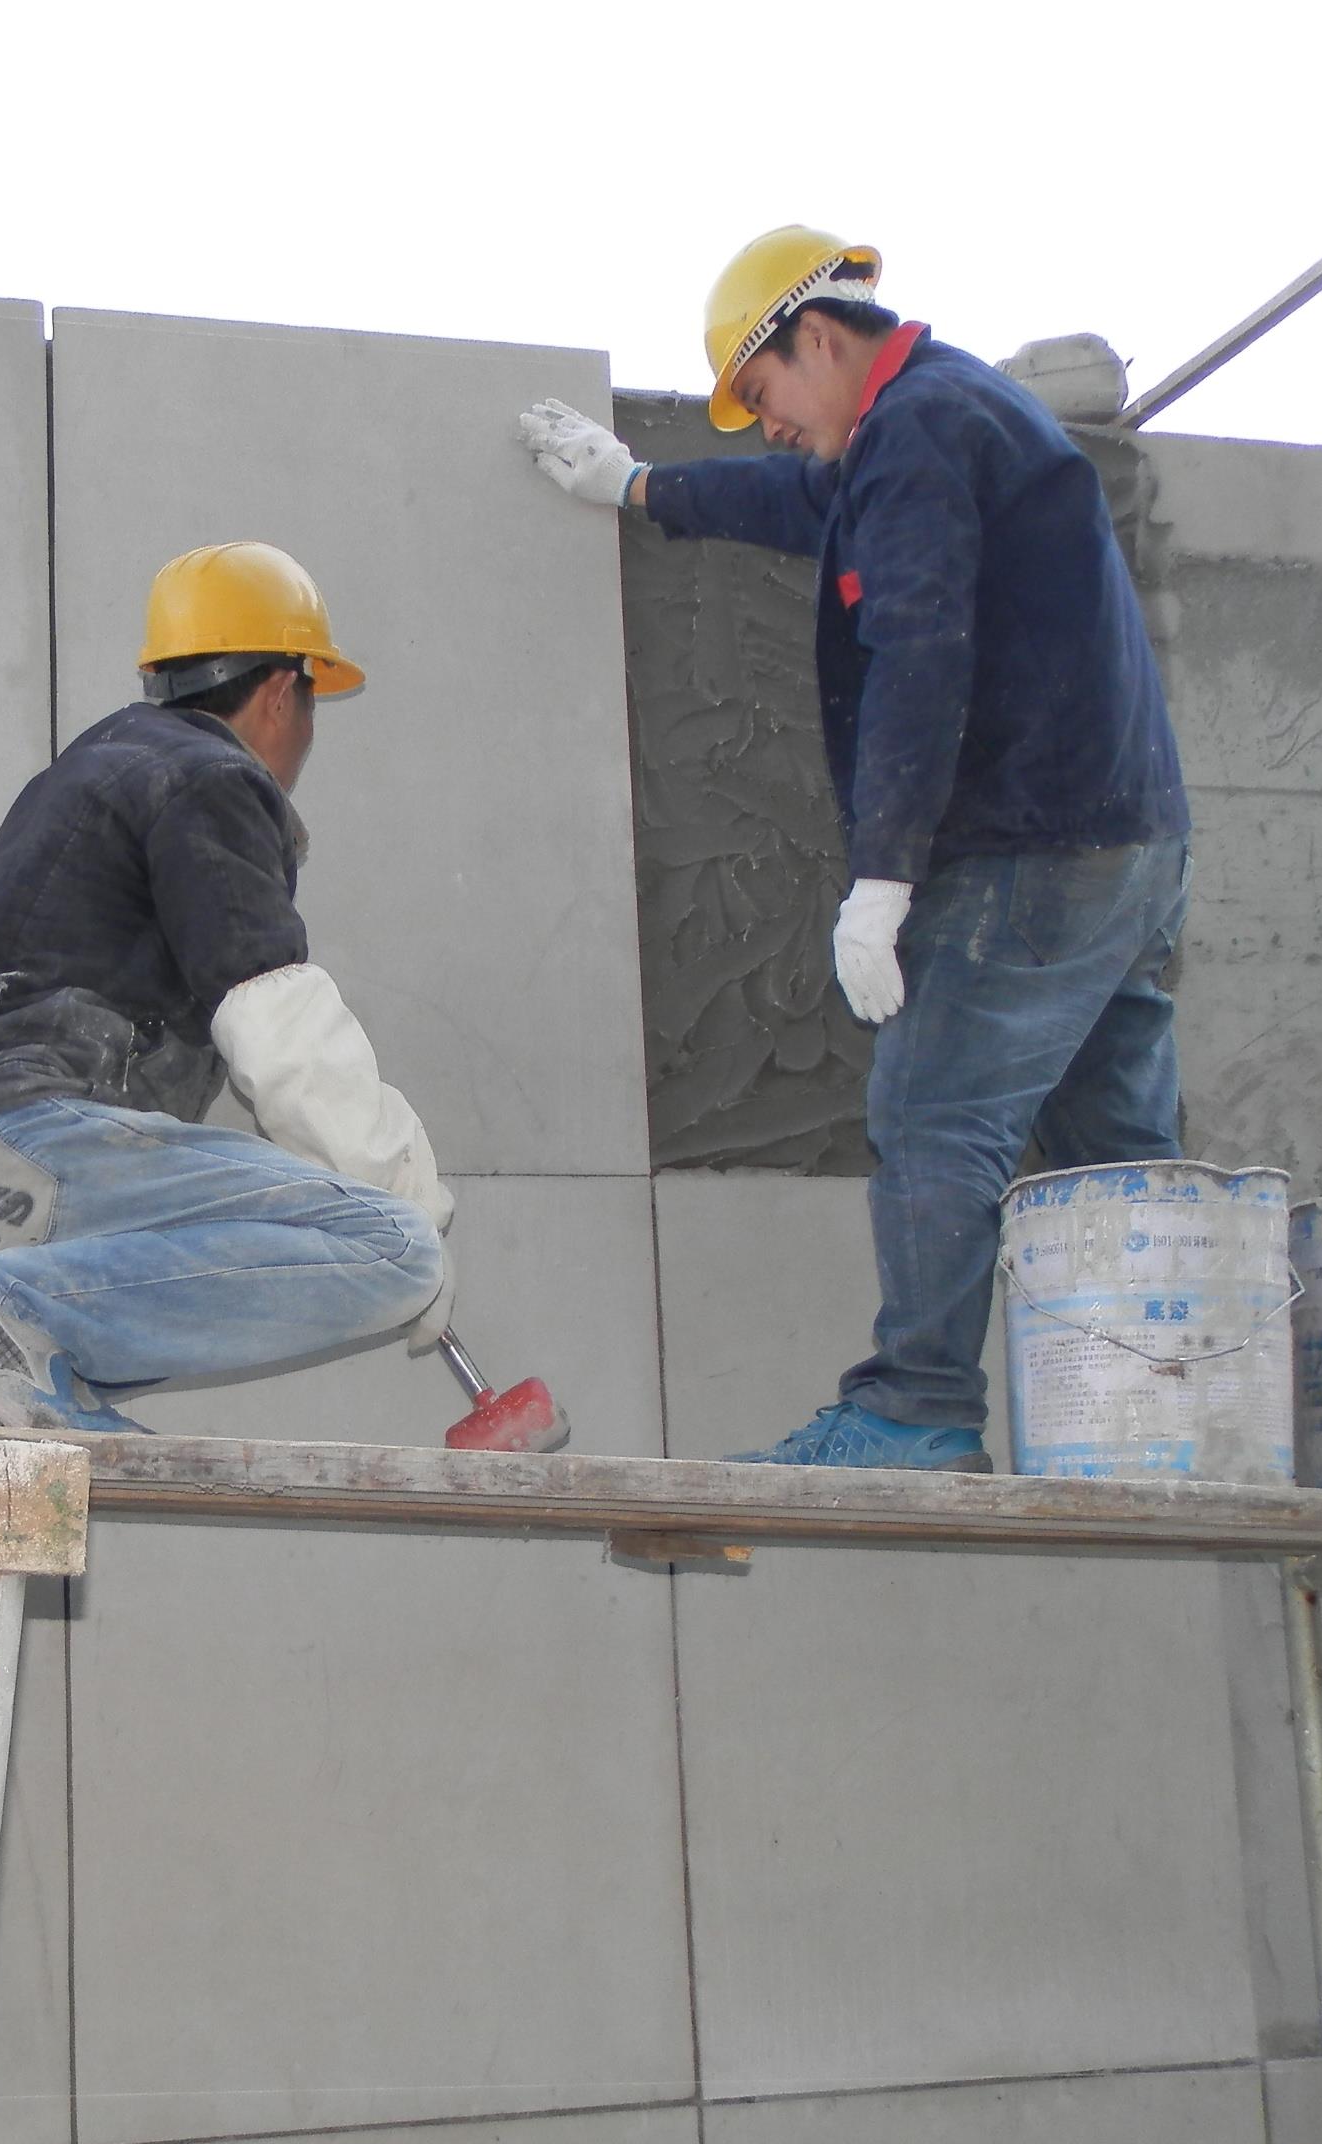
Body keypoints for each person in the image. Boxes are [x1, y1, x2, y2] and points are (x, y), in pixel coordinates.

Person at [517, 226, 1192, 1472]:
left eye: (763, 391)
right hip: (1122, 841)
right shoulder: (936, 418)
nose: (761, 422)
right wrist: (639, 487)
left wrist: (880, 877)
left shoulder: (924, 430)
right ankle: (1175, 1397)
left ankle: (920, 1405)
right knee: (1112, 1148)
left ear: (817, 338)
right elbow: (808, 500)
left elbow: (917, 650)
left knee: (935, 1109)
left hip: (1036, 846)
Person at [0, 541, 453, 1433]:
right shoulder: (208, 779)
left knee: (149, 1297)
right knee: (391, 1246)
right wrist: (407, 1202)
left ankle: (4, 1369)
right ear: (285, 689)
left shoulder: (98, 768)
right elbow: (276, 1018)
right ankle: (16, 1321)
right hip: (13, 1148)